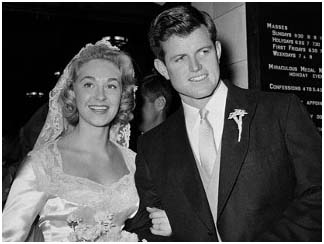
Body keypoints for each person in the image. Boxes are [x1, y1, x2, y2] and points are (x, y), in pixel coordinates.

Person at [124, 5, 322, 241]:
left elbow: (318, 195)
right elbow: (147, 228)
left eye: (203, 52)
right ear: (163, 69)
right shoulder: (152, 146)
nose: (195, 67)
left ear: (217, 50)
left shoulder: (280, 111)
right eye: (180, 58)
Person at [2, 37, 171, 241]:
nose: (100, 96)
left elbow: (147, 225)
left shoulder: (134, 162)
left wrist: (170, 224)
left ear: (123, 95)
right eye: (89, 84)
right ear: (73, 92)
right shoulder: (43, 164)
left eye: (111, 86)